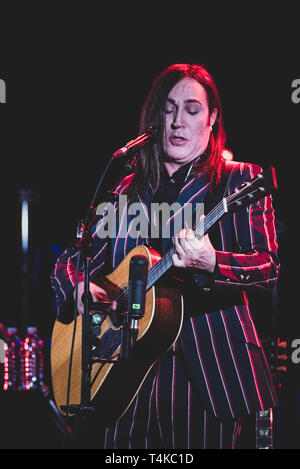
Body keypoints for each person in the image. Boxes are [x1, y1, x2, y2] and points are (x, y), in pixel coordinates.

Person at [51, 63, 280, 449]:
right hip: (119, 377)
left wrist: (211, 262)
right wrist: (78, 287)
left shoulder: (237, 180)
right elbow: (73, 258)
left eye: (192, 109)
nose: (177, 120)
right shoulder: (125, 188)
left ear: (212, 119)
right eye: (169, 108)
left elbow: (267, 267)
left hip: (207, 378)